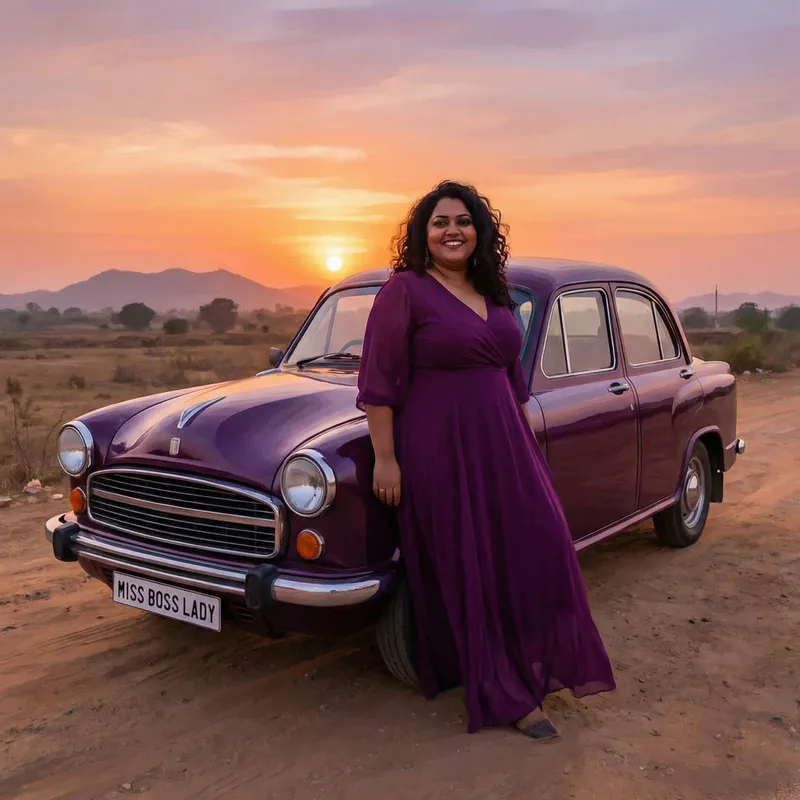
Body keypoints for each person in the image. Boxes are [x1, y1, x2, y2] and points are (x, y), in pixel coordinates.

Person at [356, 180, 616, 740]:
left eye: (463, 220)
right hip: (437, 447)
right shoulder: (405, 291)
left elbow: (512, 379)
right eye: (440, 222)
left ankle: (531, 664)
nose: (452, 230)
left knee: (537, 547)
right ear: (423, 235)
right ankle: (502, 692)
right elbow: (377, 383)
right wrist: (386, 459)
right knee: (468, 561)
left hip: (505, 442)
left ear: (480, 231)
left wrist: (527, 453)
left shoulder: (495, 292)